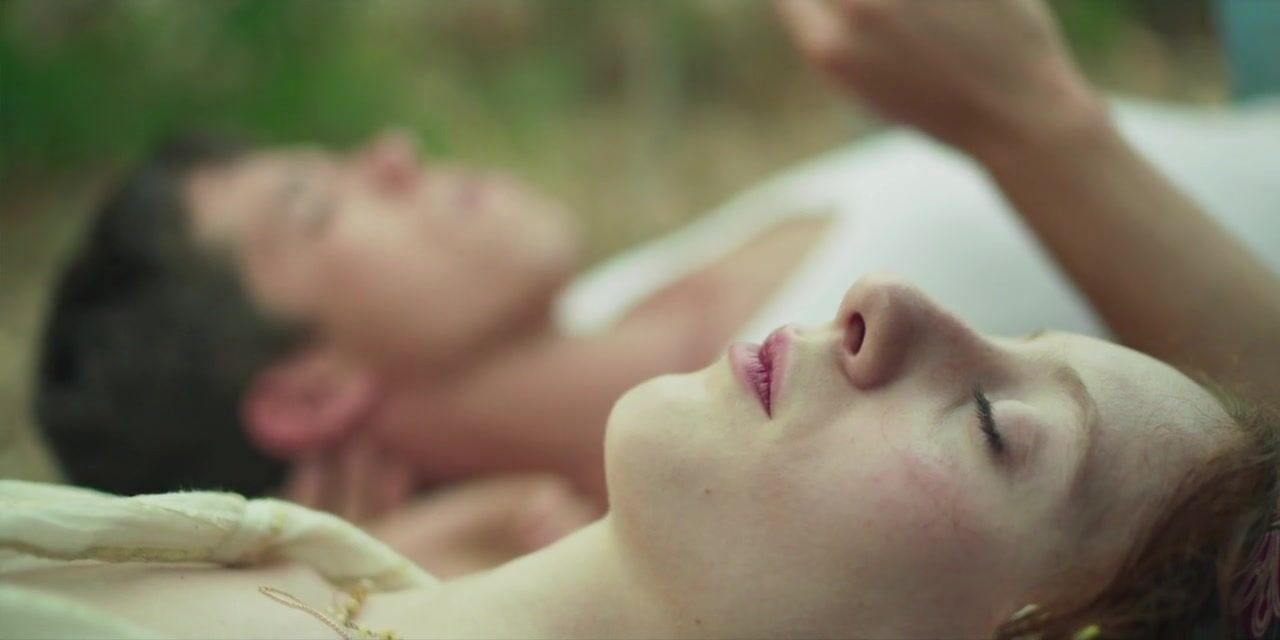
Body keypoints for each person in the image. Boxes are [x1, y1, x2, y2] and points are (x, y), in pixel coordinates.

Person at [6, 0, 1280, 637]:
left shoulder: (668, 396)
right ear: (307, 392)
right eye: (320, 202)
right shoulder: (731, 462)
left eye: (997, 413)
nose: (390, 150)